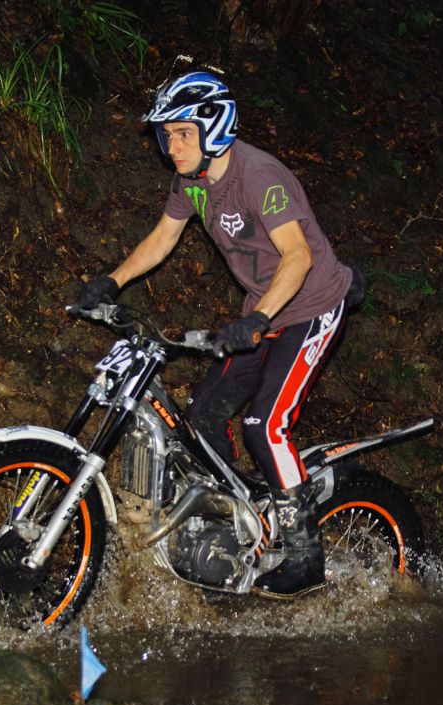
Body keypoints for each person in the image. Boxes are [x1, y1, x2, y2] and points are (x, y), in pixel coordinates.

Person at [75, 70, 362, 599]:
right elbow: (163, 237)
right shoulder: (191, 180)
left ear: (215, 128)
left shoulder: (259, 177)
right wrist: (111, 282)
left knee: (265, 424)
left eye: (183, 133)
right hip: (264, 311)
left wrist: (258, 319)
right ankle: (231, 529)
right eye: (166, 135)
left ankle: (305, 555)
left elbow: (297, 256)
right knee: (203, 414)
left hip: (312, 306)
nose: (172, 147)